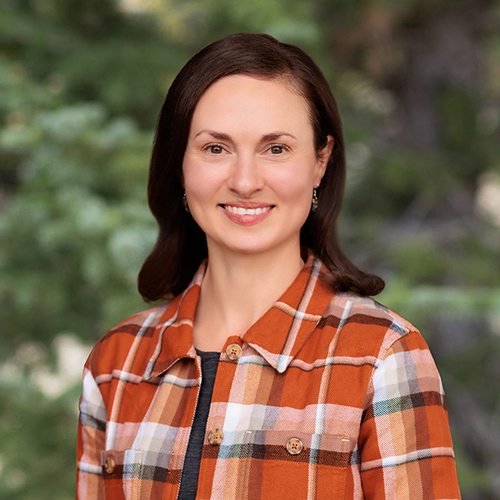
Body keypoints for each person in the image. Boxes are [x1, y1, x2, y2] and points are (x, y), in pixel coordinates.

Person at [76, 33, 461, 499]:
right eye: (215, 148)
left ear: (320, 162)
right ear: (180, 165)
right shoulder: (115, 364)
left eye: (275, 149)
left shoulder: (383, 357)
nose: (244, 181)